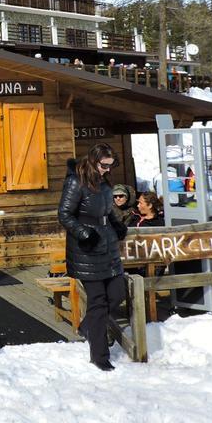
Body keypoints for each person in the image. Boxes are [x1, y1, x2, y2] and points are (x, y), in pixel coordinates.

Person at [57, 144, 127, 371]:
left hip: (107, 247)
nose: (108, 169)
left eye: (111, 165)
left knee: (117, 293)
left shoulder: (105, 182)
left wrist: (117, 226)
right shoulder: (76, 181)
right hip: (86, 249)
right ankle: (99, 356)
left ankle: (88, 326)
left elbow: (107, 211)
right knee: (98, 302)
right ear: (94, 160)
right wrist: (84, 233)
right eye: (104, 165)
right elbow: (64, 214)